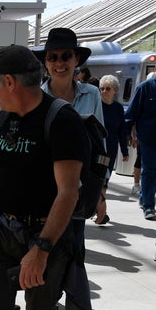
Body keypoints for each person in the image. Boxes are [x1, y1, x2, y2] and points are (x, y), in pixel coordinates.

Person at [0, 45, 92, 310]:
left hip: (43, 236)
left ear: (9, 82)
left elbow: (68, 192)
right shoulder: (4, 116)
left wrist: (41, 250)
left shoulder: (62, 120)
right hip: (0, 231)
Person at [37, 27, 104, 250]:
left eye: (66, 56)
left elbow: (100, 146)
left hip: (79, 191)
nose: (59, 63)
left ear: (76, 60)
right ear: (46, 63)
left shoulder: (92, 94)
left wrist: (101, 190)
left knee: (74, 258)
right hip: (43, 193)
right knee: (44, 263)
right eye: (53, 57)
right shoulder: (36, 98)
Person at [126, 60, 156, 223]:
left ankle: (143, 197)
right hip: (148, 139)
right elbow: (131, 113)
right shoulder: (145, 88)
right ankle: (148, 206)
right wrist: (128, 135)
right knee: (150, 170)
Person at [97, 75, 129, 224]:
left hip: (110, 150)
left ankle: (99, 208)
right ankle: (100, 209)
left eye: (107, 89)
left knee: (105, 179)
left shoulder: (117, 108)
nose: (103, 91)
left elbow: (122, 130)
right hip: (97, 149)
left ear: (115, 90)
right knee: (99, 179)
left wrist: (125, 151)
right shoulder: (96, 105)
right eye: (101, 88)